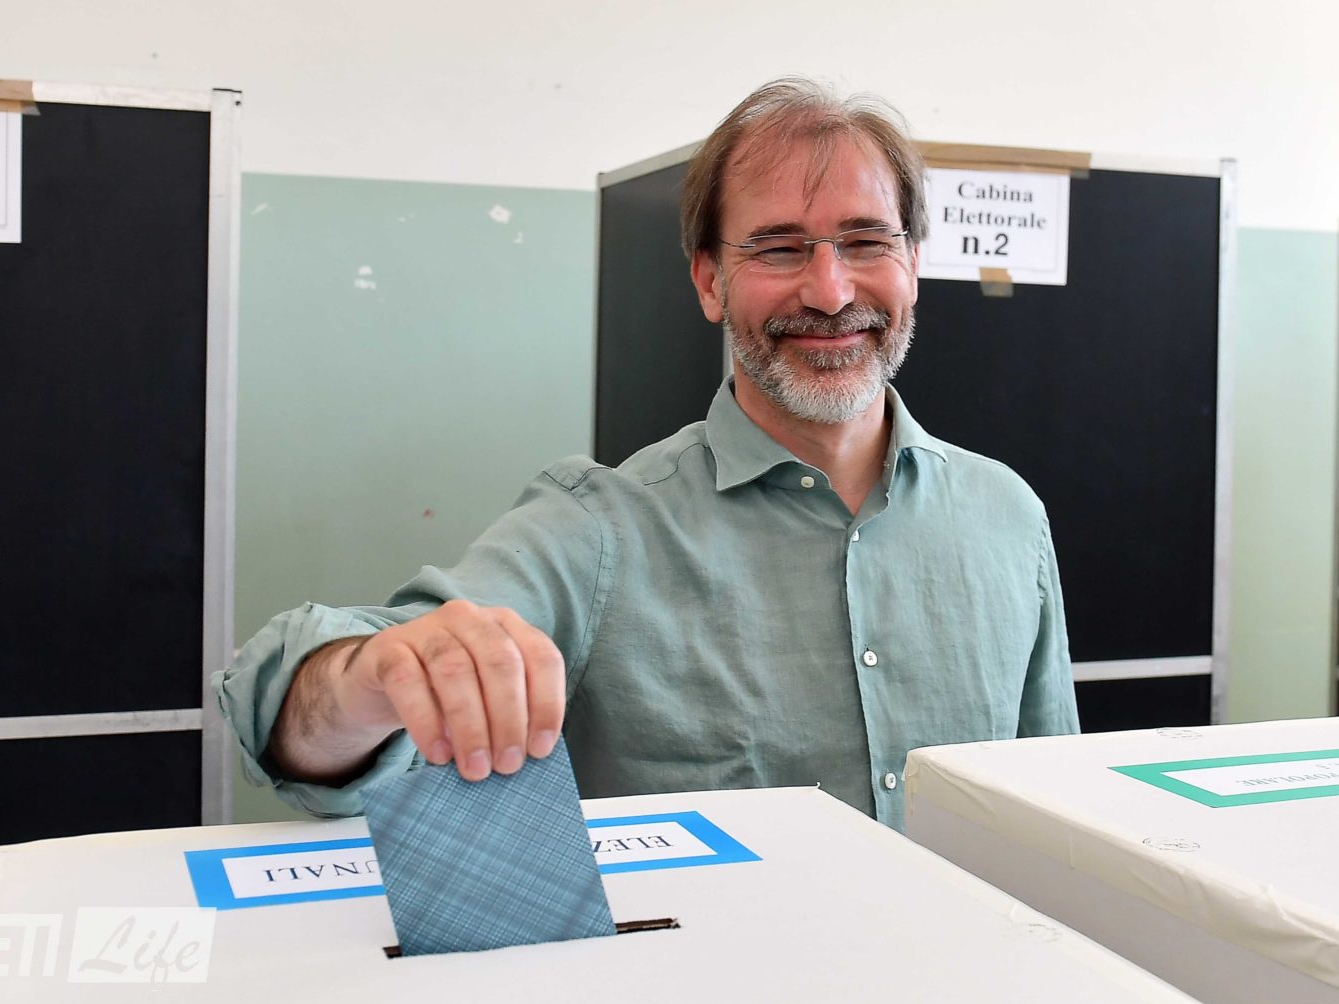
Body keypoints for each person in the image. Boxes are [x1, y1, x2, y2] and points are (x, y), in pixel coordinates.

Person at [216, 77, 1078, 835]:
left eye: (865, 242)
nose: (830, 290)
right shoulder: (598, 530)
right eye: (779, 247)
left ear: (913, 264)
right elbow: (284, 717)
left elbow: (1055, 809)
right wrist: (374, 676)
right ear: (708, 281)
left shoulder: (1006, 514)